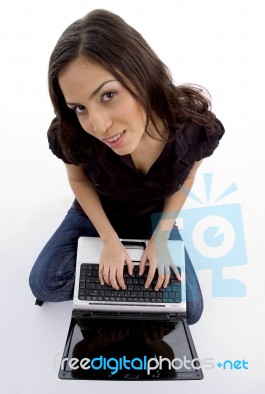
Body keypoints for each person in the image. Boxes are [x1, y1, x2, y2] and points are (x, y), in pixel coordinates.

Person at [29, 9, 224, 324]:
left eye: (108, 95)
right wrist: (108, 241)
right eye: (80, 107)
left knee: (191, 311)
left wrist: (160, 236)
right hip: (98, 215)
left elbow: (188, 175)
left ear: (140, 72)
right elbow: (79, 182)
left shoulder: (196, 128)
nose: (99, 125)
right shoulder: (72, 132)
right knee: (44, 283)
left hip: (153, 219)